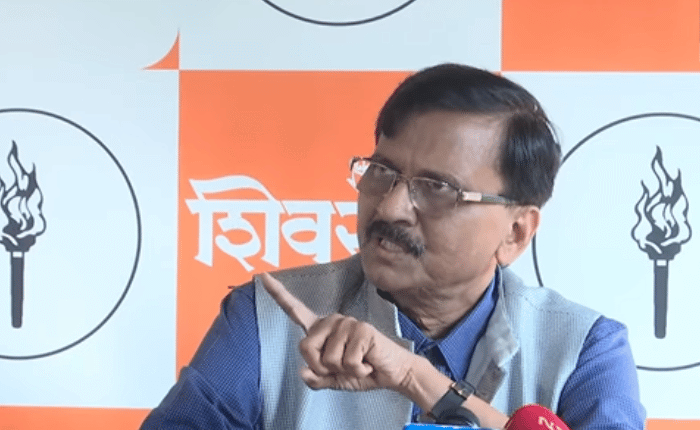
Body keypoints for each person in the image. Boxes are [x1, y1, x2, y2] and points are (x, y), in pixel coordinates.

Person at [141, 63, 646, 429]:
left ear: (515, 232)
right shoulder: (265, 318)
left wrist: (415, 377)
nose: (389, 208)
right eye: (381, 171)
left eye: (437, 187)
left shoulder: (583, 349)